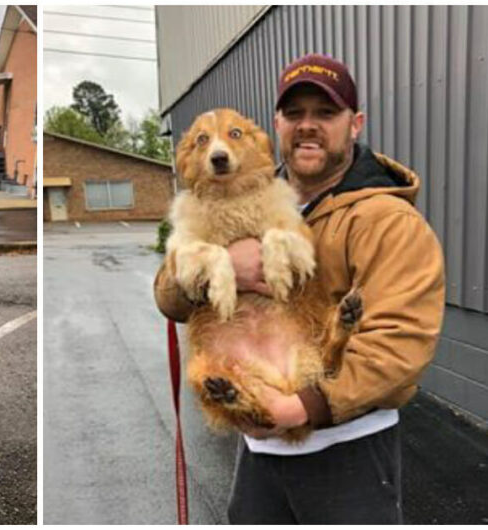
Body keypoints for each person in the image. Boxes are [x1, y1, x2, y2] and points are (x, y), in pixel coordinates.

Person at [154, 53, 445, 523]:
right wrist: (223, 265)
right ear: (276, 125)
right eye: (296, 114)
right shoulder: (246, 192)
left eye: (326, 113)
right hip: (258, 447)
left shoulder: (387, 221)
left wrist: (299, 408)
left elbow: (402, 340)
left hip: (346, 448)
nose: (308, 126)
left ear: (355, 124)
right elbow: (169, 297)